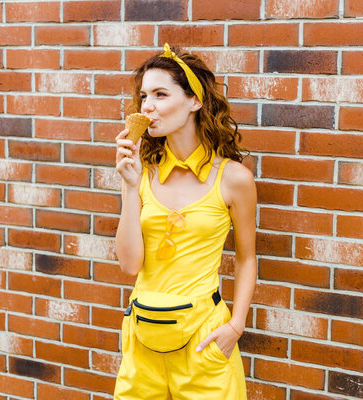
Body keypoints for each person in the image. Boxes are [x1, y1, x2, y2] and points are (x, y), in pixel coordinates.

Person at [112, 43, 256, 400]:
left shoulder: (233, 178)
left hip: (204, 341)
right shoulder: (141, 175)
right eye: (144, 96)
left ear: (194, 101)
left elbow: (246, 257)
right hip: (142, 341)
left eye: (161, 94)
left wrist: (235, 326)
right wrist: (130, 188)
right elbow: (130, 265)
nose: (147, 106)